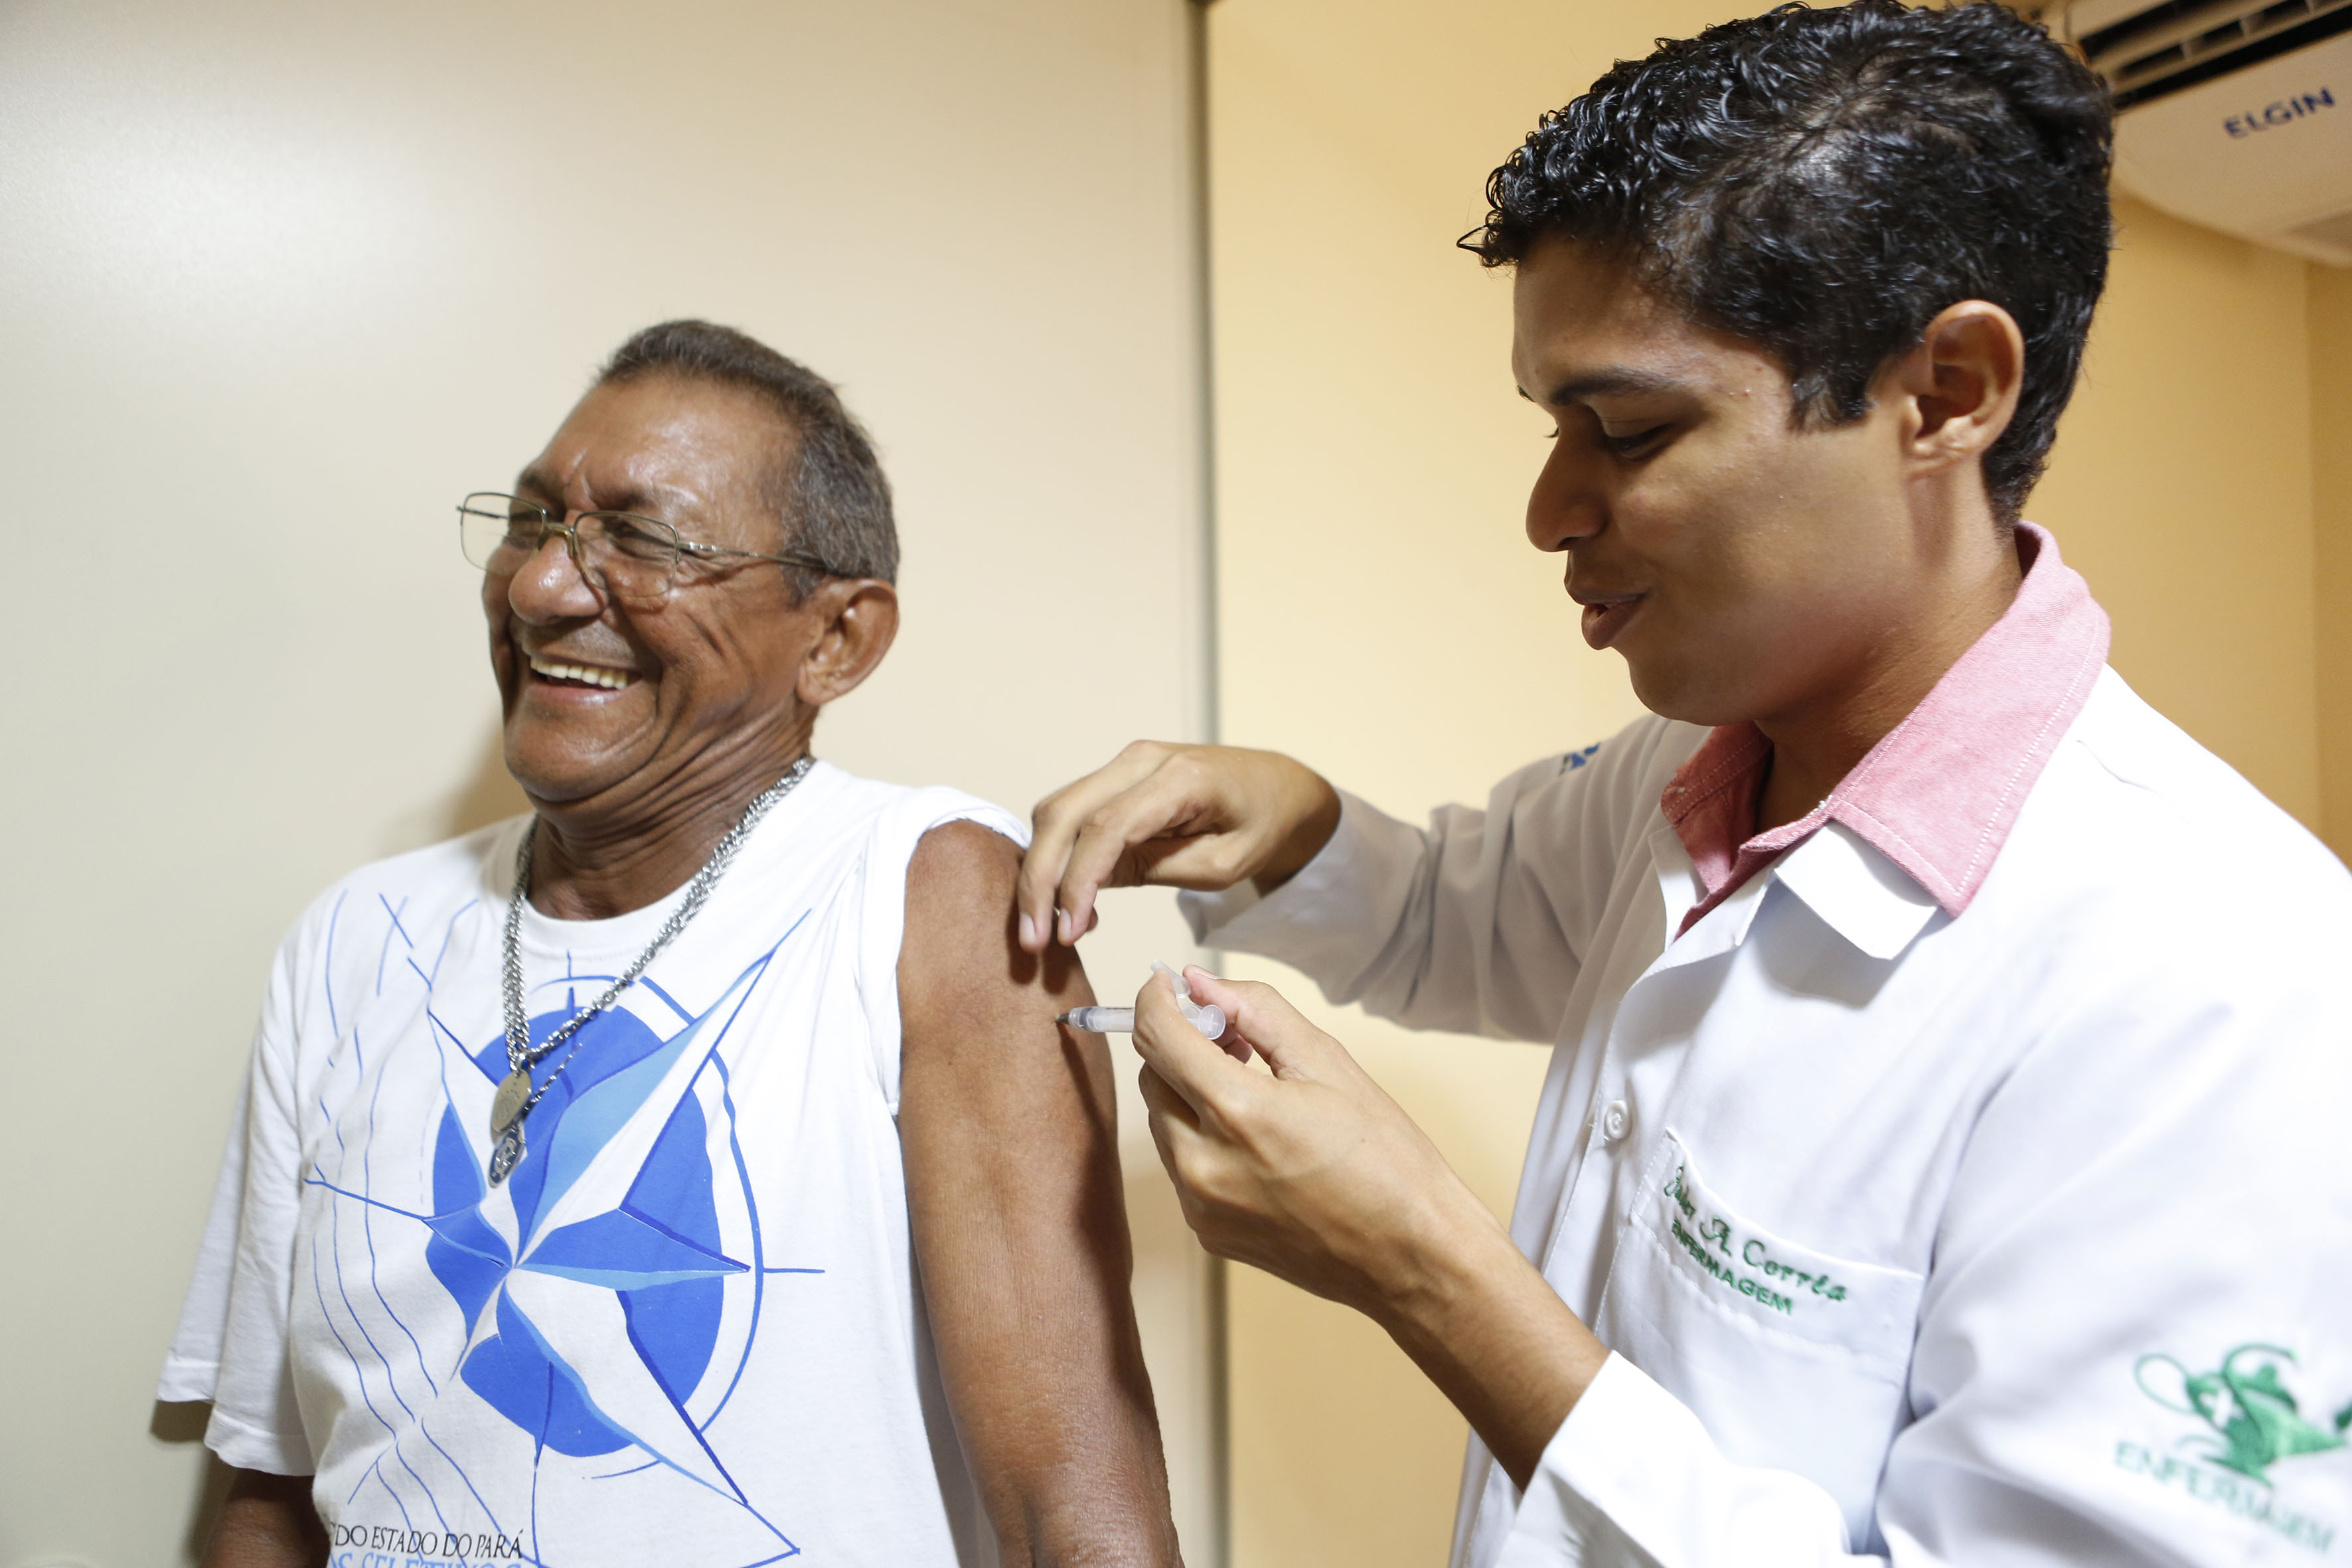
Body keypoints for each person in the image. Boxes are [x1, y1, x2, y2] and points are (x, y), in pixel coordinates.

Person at [1017, 5, 2352, 1565]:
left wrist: (1426, 1268)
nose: (1546, 510)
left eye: (1630, 429)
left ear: (1942, 392)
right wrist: (1293, 822)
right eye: (1550, 427)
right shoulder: (1704, 758)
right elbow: (1463, 918)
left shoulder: (2218, 990)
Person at [161, 321, 1182, 1567]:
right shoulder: (355, 939)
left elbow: (1077, 1518)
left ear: (837, 639)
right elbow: (269, 1493)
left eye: (643, 541)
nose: (541, 588)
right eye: (533, 524)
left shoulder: (930, 900)